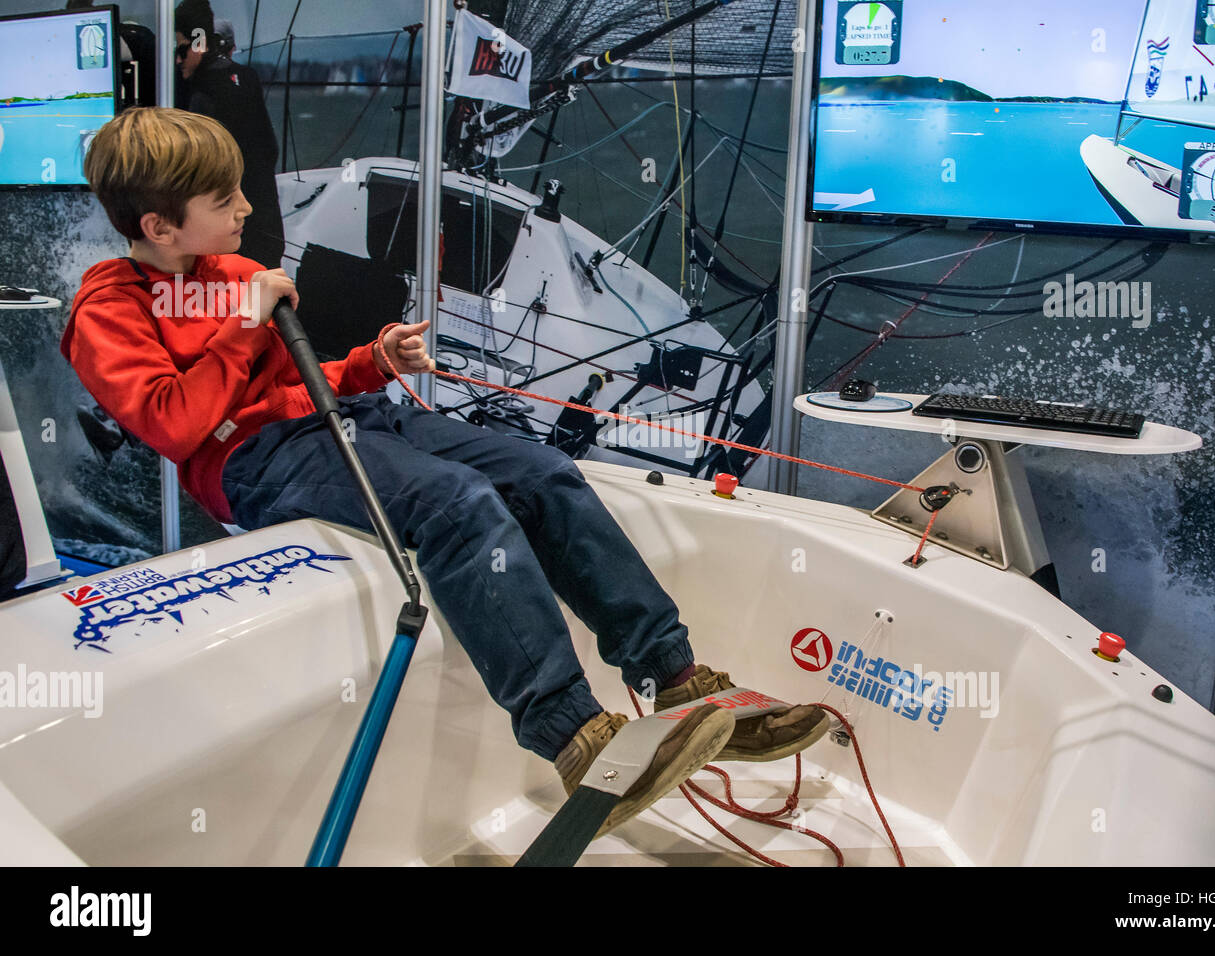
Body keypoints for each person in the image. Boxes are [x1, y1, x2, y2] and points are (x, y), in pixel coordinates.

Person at [61, 107, 829, 838]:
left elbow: (290, 380)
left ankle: (676, 677)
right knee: (458, 503)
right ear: (159, 226)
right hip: (255, 462)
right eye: (223, 198)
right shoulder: (108, 308)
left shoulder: (228, 268)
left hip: (340, 420)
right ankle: (575, 738)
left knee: (544, 472)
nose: (243, 206)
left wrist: (370, 363)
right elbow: (173, 421)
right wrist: (245, 322)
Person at [174, 0, 285, 269]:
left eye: (181, 50)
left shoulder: (200, 93)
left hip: (230, 245)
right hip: (264, 231)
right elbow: (268, 149)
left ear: (200, 41)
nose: (177, 60)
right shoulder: (245, 77)